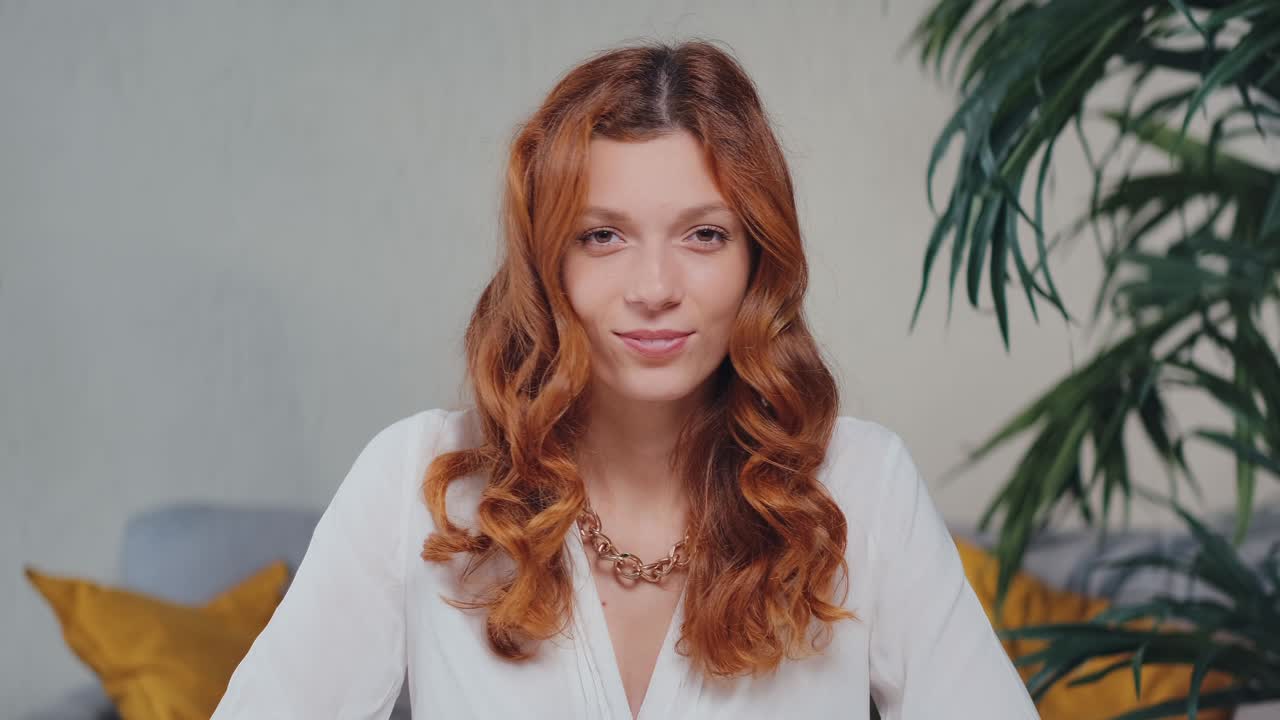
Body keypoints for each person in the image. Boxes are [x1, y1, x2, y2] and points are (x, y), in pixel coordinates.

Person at [211, 39, 1040, 720]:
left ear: (759, 258)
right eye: (603, 236)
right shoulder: (418, 482)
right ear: (548, 262)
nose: (653, 288)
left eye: (704, 235)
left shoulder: (862, 489)